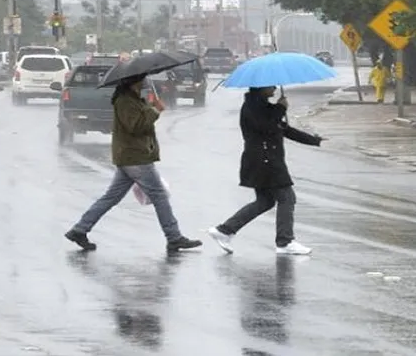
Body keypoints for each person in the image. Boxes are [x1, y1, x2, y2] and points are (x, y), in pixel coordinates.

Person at [65, 73, 203, 253]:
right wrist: (155, 110)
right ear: (134, 81)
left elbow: (140, 119)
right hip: (135, 157)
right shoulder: (124, 101)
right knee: (159, 195)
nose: (145, 80)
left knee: (111, 197)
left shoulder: (133, 98)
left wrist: (151, 106)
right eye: (142, 78)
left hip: (130, 157)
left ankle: (80, 229)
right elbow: (136, 127)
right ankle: (174, 237)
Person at [208, 86, 322, 255]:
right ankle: (285, 241)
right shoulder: (252, 108)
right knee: (287, 197)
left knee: (265, 201)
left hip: (264, 161)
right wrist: (281, 108)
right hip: (264, 161)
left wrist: (314, 141)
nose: (275, 88)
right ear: (261, 88)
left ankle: (225, 230)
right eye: (271, 85)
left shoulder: (265, 107)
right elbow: (266, 126)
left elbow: (284, 129)